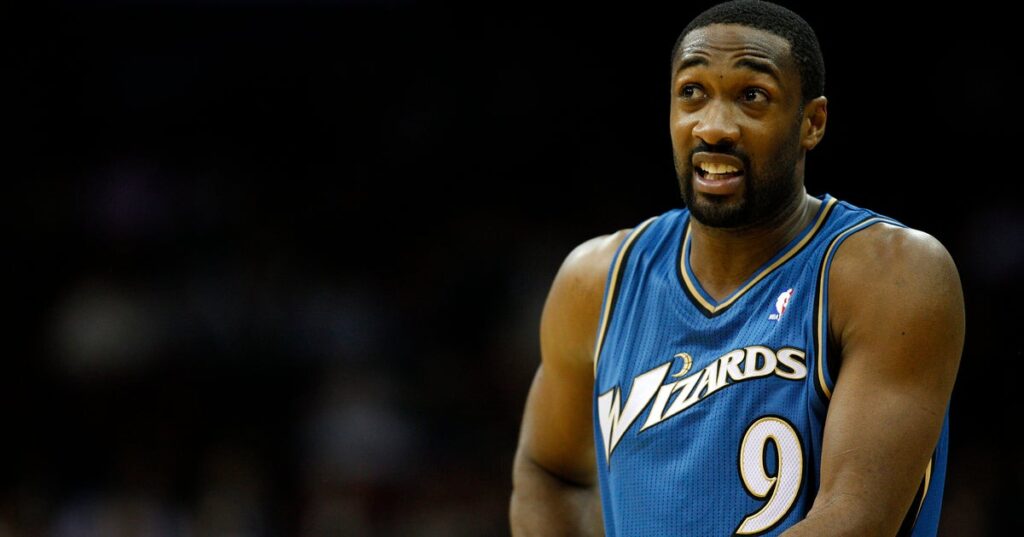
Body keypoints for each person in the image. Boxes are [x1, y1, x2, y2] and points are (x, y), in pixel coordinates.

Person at [508, 1, 964, 535]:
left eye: (752, 97)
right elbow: (551, 472)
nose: (714, 127)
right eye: (692, 93)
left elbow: (854, 520)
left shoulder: (891, 273)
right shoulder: (595, 280)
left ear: (812, 123)